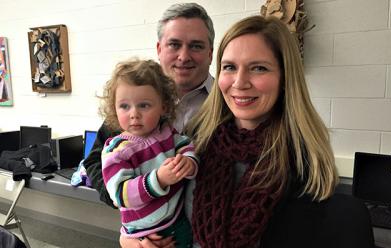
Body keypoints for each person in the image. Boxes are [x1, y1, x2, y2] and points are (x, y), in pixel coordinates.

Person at [182, 15, 339, 247]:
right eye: (229, 67)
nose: (239, 82)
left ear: (285, 77)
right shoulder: (196, 139)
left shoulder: (303, 160)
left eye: (258, 68)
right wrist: (134, 236)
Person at [83, 2, 214, 209]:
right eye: (174, 44)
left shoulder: (228, 103)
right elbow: (94, 163)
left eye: (196, 46)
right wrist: (134, 220)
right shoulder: (133, 98)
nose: (184, 56)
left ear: (210, 53)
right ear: (159, 49)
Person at [100, 59, 198, 247]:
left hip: (177, 220)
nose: (134, 114)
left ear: (164, 107)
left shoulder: (167, 132)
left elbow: (186, 146)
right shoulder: (117, 150)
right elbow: (120, 194)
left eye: (144, 105)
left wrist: (189, 161)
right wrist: (159, 180)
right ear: (114, 108)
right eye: (124, 106)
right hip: (144, 234)